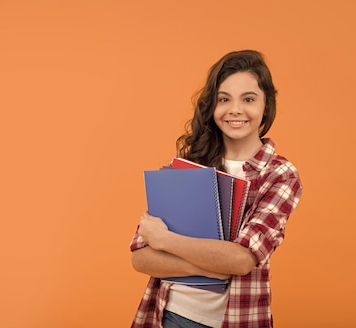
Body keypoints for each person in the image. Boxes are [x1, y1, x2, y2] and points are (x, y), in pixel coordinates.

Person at [129, 50, 303, 328]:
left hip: (237, 320)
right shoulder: (185, 167)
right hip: (171, 315)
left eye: (248, 99)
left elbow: (242, 260)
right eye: (224, 99)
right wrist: (205, 267)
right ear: (212, 106)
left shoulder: (279, 174)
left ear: (266, 106)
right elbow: (141, 257)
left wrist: (166, 241)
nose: (235, 109)